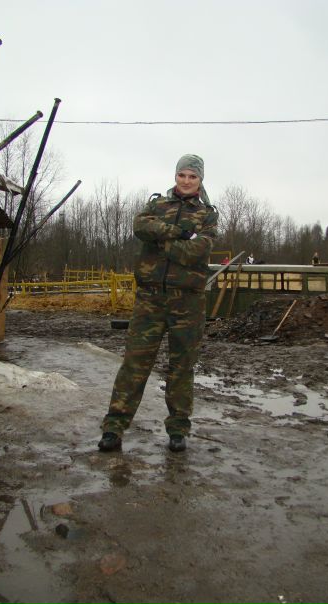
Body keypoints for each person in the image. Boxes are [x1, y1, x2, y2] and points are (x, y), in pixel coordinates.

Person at [98, 154, 218, 453]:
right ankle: (114, 427)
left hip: (188, 302)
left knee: (181, 367)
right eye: (182, 175)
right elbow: (139, 226)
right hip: (150, 299)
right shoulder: (157, 205)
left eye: (192, 176)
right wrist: (178, 233)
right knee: (134, 363)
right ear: (175, 176)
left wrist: (160, 239)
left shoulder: (207, 215)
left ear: (200, 180)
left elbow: (196, 252)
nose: (186, 181)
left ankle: (178, 429)